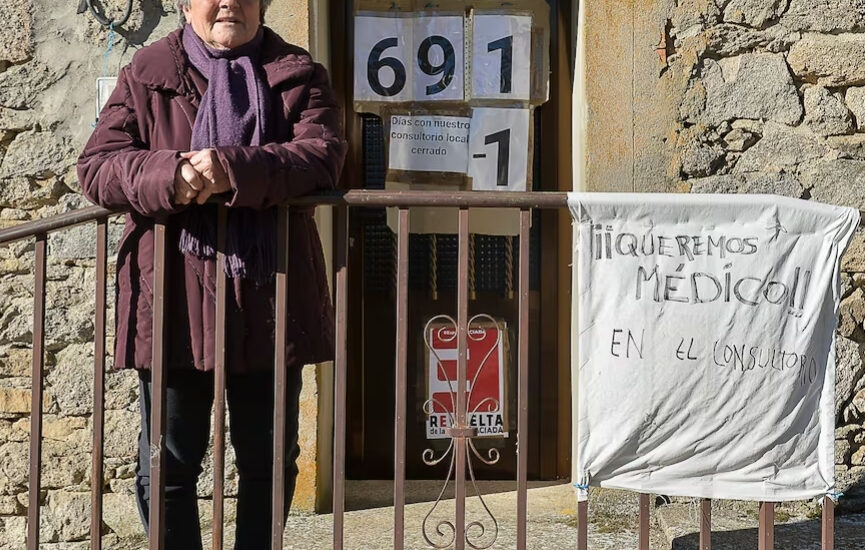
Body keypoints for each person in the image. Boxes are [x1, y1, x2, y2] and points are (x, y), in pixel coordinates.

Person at [77, 0, 346, 547]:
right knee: (168, 463)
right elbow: (98, 166)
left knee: (268, 461)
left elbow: (322, 155)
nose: (229, 3)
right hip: (173, 296)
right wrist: (168, 174)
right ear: (184, 3)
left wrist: (232, 168)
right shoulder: (149, 72)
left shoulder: (297, 73)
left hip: (269, 295)